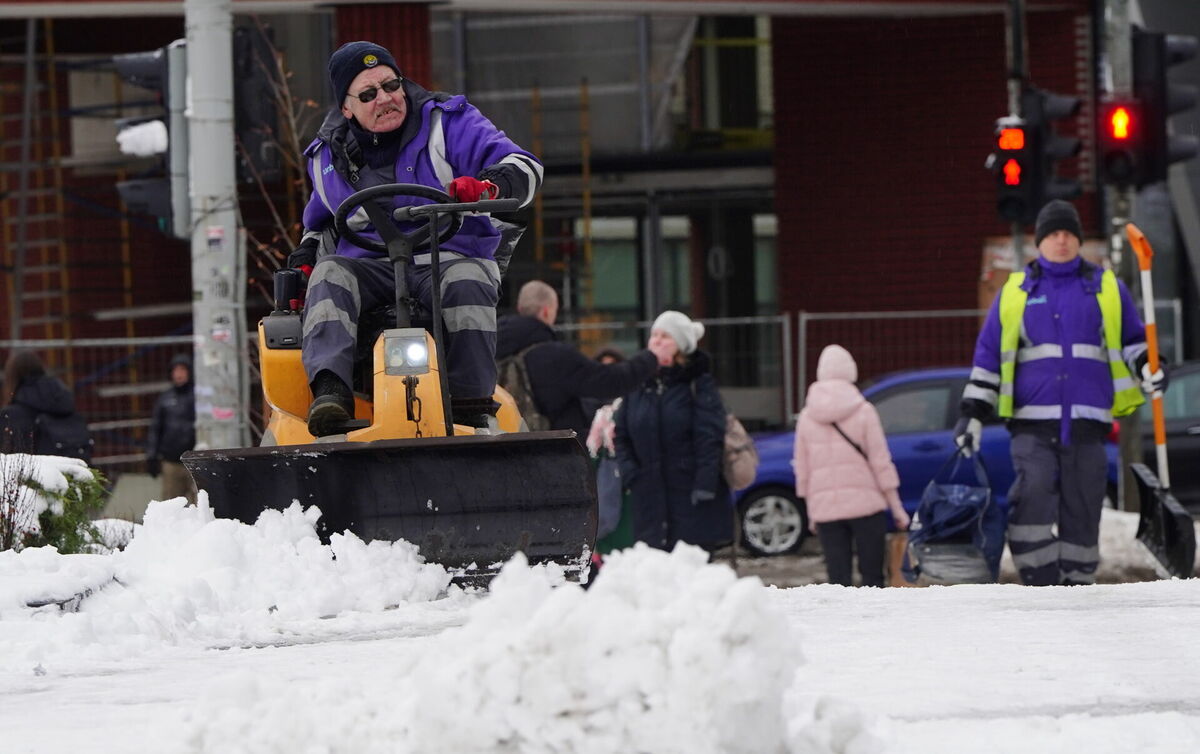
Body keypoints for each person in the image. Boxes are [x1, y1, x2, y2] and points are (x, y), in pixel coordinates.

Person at [292, 41, 544, 436]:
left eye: (391, 85)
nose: (386, 99)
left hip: (449, 256)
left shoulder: (450, 123)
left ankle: (470, 405)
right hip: (371, 268)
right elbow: (318, 222)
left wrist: (487, 189)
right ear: (347, 108)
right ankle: (331, 393)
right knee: (329, 274)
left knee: (468, 282)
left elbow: (524, 167)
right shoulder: (327, 157)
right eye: (369, 94)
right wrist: (305, 256)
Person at [954, 199, 1165, 586]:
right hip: (1032, 425)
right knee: (1032, 494)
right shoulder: (1015, 291)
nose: (1062, 240)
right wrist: (972, 413)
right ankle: (1040, 579)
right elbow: (988, 358)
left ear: (1079, 240)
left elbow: (1133, 342)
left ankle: (1078, 583)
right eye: (1053, 234)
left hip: (1088, 424)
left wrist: (1149, 366)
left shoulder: (1107, 288)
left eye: (1069, 233)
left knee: (1083, 507)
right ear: (1040, 241)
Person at [613, 310, 732, 551]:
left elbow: (709, 438)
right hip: (647, 500)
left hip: (690, 499)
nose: (657, 340)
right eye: (654, 334)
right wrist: (631, 474)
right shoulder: (637, 384)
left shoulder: (698, 383)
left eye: (666, 336)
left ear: (681, 347)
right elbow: (621, 435)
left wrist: (704, 485)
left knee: (690, 577)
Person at [792, 344, 909, 588]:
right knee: (872, 575)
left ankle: (840, 624)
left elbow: (803, 469)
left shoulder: (806, 417)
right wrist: (896, 507)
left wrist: (811, 510)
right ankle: (874, 622)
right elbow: (880, 461)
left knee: (838, 580)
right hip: (867, 507)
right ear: (850, 372)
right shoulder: (865, 411)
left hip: (826, 510)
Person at [495, 280, 664, 438]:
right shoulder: (556, 356)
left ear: (519, 307)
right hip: (550, 454)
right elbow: (610, 381)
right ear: (547, 311)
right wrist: (651, 358)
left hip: (503, 449)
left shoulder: (491, 348)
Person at [0, 350, 93, 462]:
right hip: (79, 469)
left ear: (11, 376)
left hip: (39, 475)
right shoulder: (61, 398)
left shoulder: (12, 414)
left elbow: (10, 459)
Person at [146, 353, 197, 504]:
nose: (178, 374)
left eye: (182, 370)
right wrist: (152, 456)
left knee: (200, 505)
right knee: (171, 506)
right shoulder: (165, 398)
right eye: (175, 370)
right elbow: (156, 428)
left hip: (195, 461)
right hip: (171, 462)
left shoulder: (199, 396)